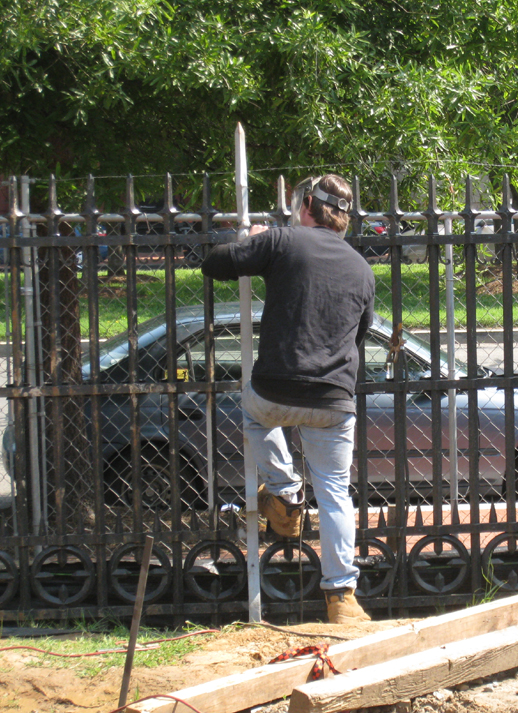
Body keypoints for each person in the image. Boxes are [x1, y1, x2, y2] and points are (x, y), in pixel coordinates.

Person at [202, 174, 375, 624]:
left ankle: (285, 494)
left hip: (276, 388)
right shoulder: (362, 268)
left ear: (305, 207)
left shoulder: (282, 241)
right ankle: (342, 598)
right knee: (336, 491)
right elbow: (361, 333)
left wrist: (251, 239)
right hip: (335, 398)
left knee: (254, 414)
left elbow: (214, 264)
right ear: (342, 217)